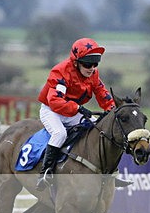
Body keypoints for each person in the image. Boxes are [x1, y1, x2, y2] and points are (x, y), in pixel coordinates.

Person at [35, 37, 116, 190]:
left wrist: (113, 109)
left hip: (72, 111)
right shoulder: (61, 71)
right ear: (76, 61)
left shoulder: (93, 74)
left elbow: (102, 93)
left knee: (97, 129)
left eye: (95, 64)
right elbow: (55, 102)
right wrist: (78, 108)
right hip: (52, 111)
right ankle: (45, 173)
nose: (91, 68)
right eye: (87, 64)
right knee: (59, 134)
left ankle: (106, 172)